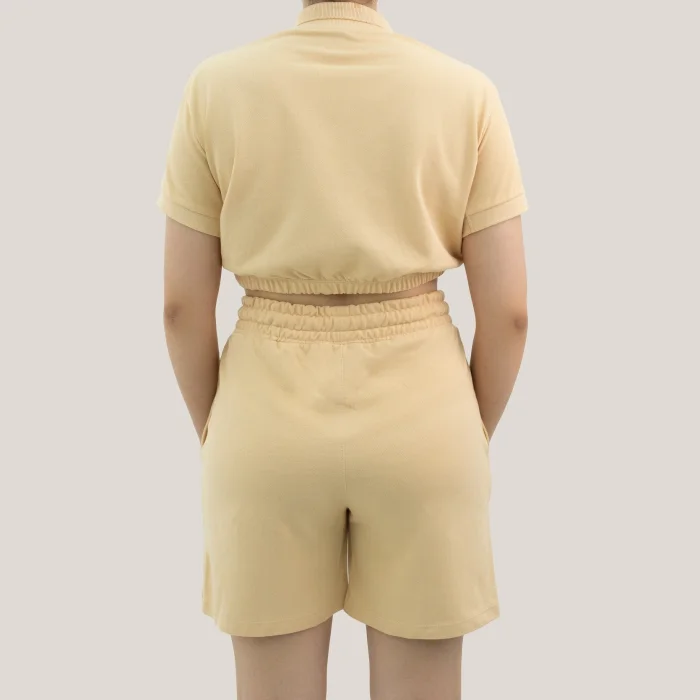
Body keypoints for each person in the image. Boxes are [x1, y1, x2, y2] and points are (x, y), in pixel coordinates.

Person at [158, 1, 528, 697]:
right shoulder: (465, 91)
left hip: (265, 410)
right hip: (425, 410)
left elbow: (181, 307)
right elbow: (509, 314)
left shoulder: (216, 87)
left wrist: (221, 428)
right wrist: (463, 432)